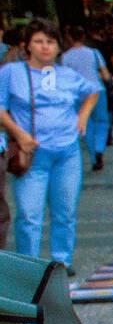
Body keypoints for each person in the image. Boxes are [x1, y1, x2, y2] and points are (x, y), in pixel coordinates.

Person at [0, 19, 99, 275]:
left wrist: (83, 116)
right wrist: (19, 135)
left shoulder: (68, 75)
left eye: (50, 42)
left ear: (58, 47)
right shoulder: (12, 73)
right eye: (39, 41)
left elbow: (93, 91)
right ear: (27, 46)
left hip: (67, 152)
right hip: (31, 154)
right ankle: (29, 266)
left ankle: (62, 261)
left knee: (65, 211)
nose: (45, 47)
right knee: (28, 215)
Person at [61, 25, 112, 171]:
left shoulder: (66, 57)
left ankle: (94, 157)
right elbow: (105, 73)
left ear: (70, 38)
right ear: (83, 37)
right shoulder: (94, 53)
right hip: (97, 90)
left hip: (77, 94)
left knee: (86, 125)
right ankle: (99, 148)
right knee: (102, 121)